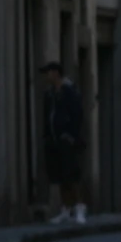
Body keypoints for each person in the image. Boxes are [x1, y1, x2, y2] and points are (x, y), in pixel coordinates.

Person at [39, 62, 86, 223]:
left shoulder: (69, 91)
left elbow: (77, 114)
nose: (47, 76)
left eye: (49, 73)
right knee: (59, 176)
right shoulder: (50, 94)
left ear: (56, 73)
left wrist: (71, 135)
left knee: (72, 175)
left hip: (67, 140)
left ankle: (79, 208)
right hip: (53, 140)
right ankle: (65, 209)